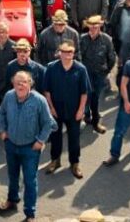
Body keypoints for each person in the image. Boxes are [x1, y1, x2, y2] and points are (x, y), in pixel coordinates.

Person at [0, 70, 55, 222]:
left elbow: (48, 123)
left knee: (30, 180)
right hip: (11, 145)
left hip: (30, 148)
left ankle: (30, 213)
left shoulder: (39, 100)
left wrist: (40, 141)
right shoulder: (9, 96)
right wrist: (2, 130)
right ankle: (12, 200)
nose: (20, 85)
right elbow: (1, 114)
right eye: (17, 82)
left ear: (30, 84)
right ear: (13, 84)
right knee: (12, 176)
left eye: (24, 82)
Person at [42, 42, 90, 178]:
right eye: (65, 52)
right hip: (56, 110)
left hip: (74, 111)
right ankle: (55, 161)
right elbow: (47, 91)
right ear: (59, 53)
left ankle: (74, 163)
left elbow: (84, 92)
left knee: (74, 138)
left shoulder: (80, 69)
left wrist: (81, 110)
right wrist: (51, 108)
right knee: (55, 137)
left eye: (71, 52)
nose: (68, 54)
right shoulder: (51, 68)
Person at [78, 15, 116, 134]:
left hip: (99, 74)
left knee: (95, 98)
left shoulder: (107, 39)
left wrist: (106, 71)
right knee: (86, 96)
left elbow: (112, 58)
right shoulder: (82, 39)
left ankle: (95, 122)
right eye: (91, 26)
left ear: (100, 26)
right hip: (86, 74)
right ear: (88, 26)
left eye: (96, 26)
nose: (93, 28)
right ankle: (87, 115)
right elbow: (78, 56)